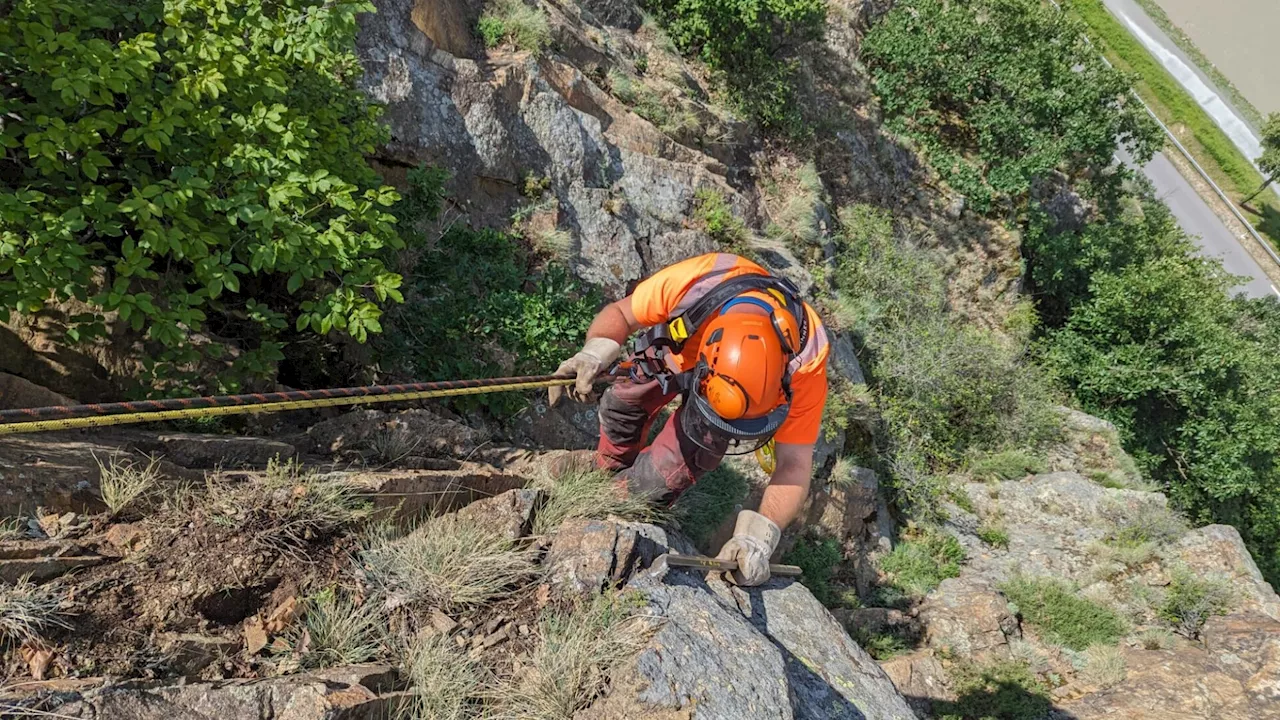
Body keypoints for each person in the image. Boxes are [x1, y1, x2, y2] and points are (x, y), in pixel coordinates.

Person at [549, 252, 830, 587]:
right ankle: (606, 470)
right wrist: (595, 351)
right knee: (621, 405)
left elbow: (795, 463)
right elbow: (621, 313)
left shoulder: (806, 361)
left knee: (656, 481)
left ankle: (619, 500)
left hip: (716, 391)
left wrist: (758, 537)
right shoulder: (701, 281)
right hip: (678, 354)